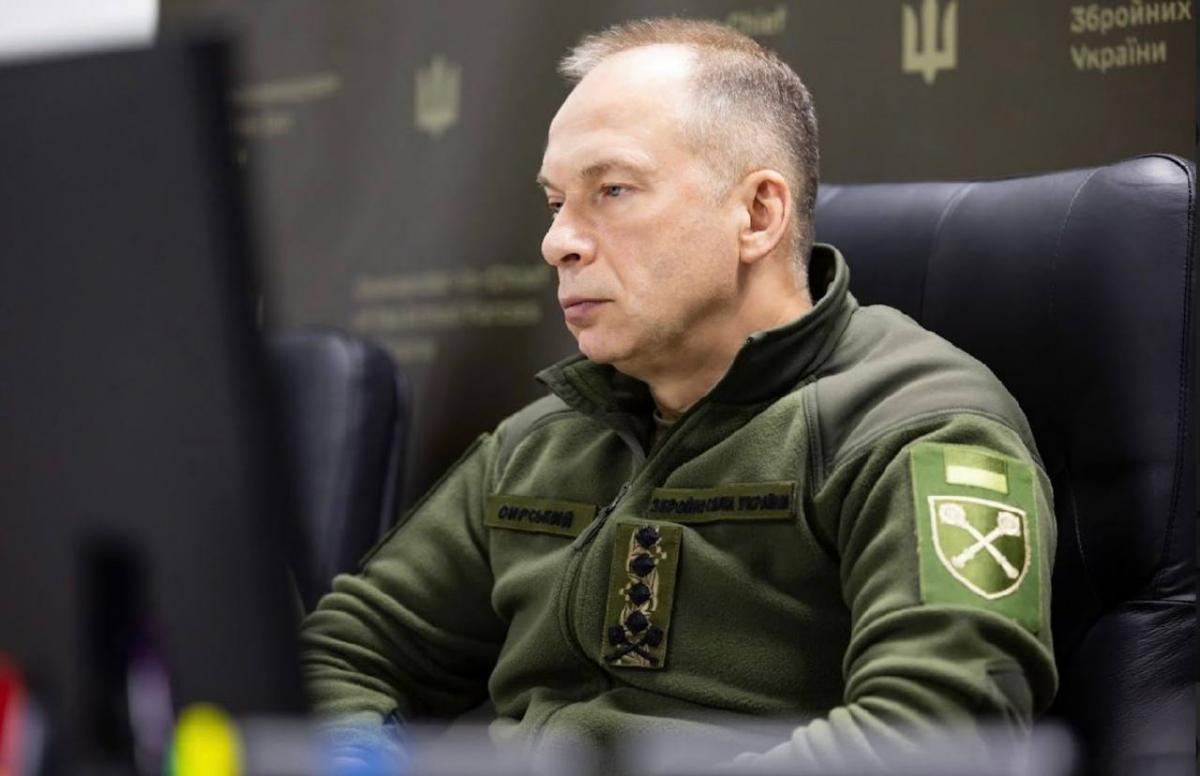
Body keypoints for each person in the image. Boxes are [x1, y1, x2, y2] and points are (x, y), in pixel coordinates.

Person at [301, 17, 1057, 771]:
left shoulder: (919, 427)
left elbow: (939, 736)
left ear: (758, 214)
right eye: (556, 203)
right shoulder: (543, 440)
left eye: (613, 190)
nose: (558, 241)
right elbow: (344, 651)